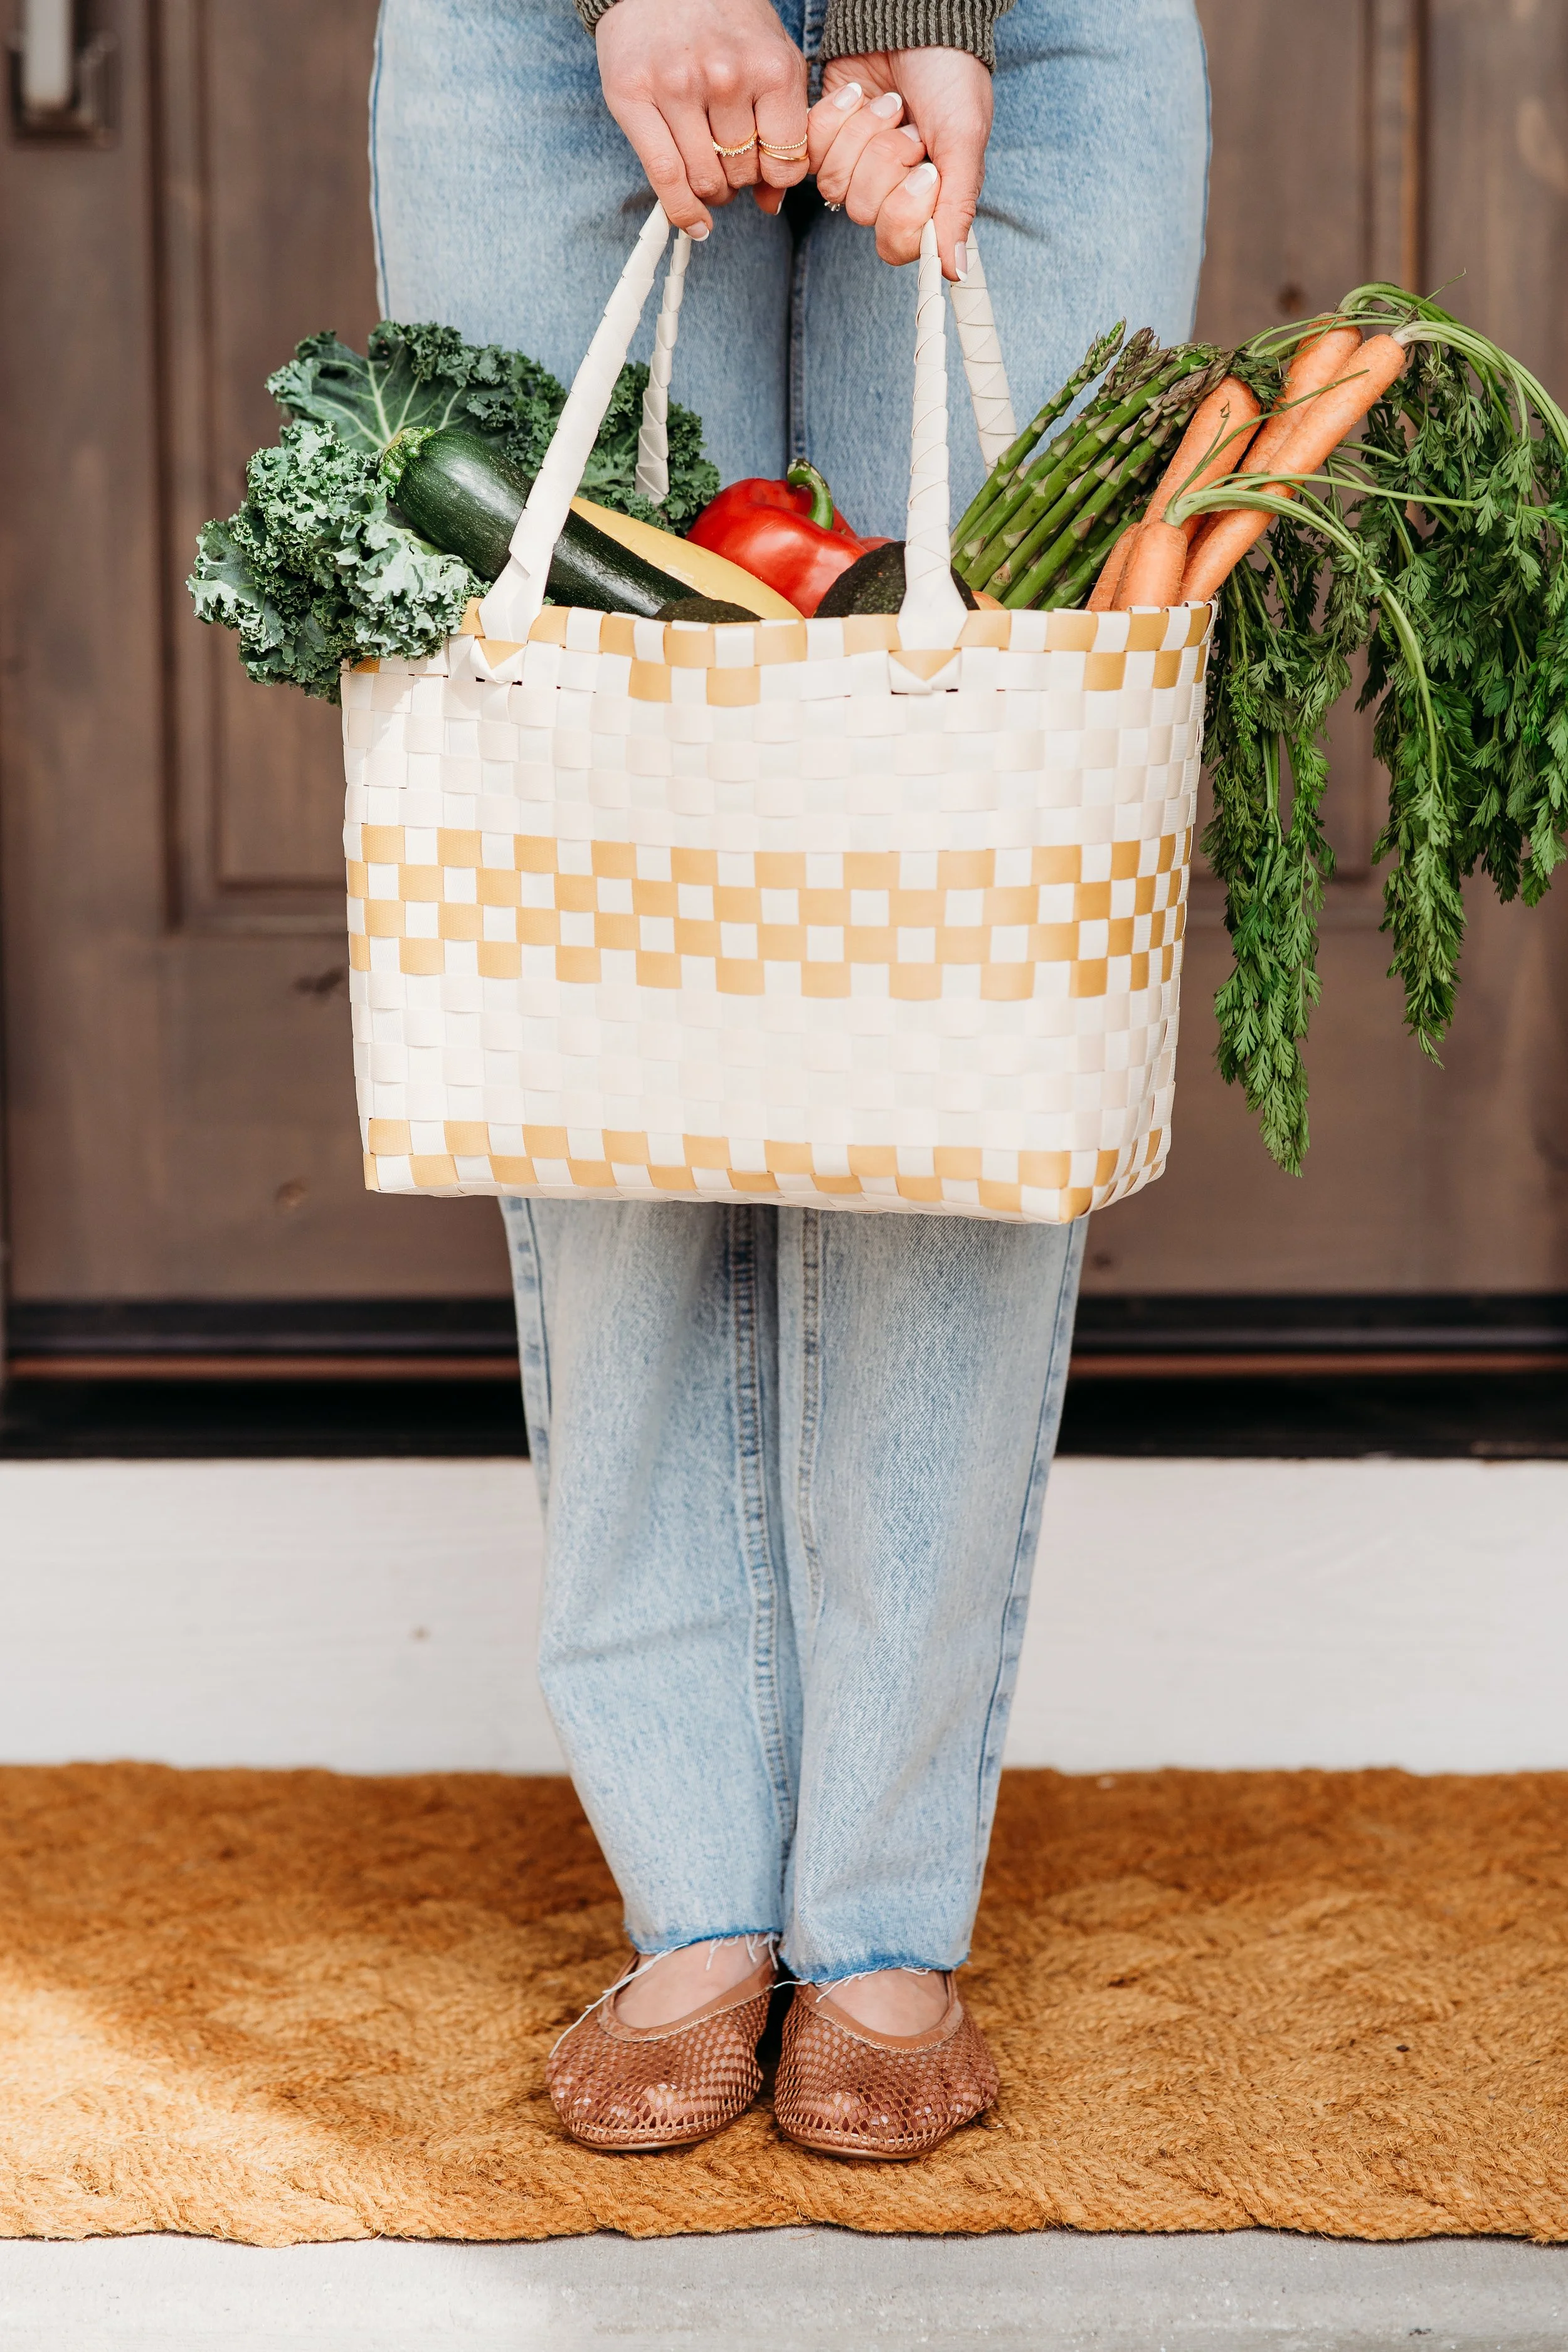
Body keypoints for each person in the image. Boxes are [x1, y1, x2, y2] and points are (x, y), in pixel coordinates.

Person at [371, 0, 1207, 2159]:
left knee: (962, 951)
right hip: (545, 39)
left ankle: (876, 1903)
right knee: (604, 935)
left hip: (1035, 28)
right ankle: (699, 1891)